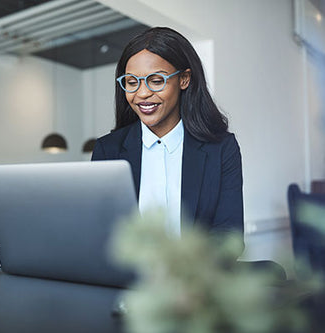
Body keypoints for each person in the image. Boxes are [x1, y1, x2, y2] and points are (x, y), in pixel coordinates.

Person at [91, 27, 244, 252]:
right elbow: (99, 234)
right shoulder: (107, 150)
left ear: (184, 79)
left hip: (195, 282)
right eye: (132, 82)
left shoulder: (221, 148)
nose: (142, 94)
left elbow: (229, 239)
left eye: (155, 80)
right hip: (128, 283)